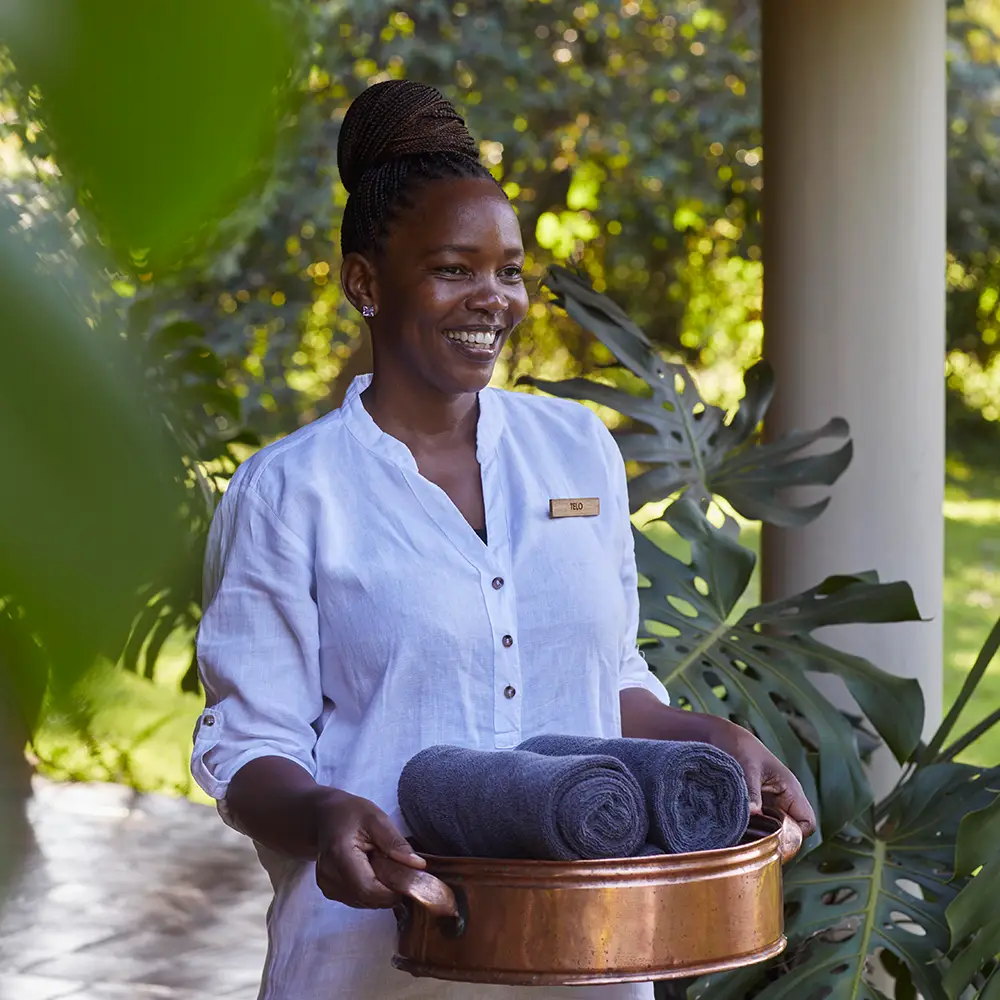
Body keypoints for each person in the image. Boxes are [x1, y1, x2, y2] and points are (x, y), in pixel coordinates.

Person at [191, 80, 816, 1000]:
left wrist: (715, 737)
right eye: (454, 268)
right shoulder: (291, 492)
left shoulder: (577, 452)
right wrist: (325, 810)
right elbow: (247, 747)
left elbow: (609, 682)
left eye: (510, 270)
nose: (494, 299)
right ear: (365, 283)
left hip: (592, 957)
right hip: (376, 966)